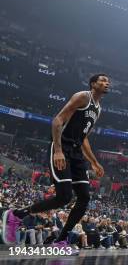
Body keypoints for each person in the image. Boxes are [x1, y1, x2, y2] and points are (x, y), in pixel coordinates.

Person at [2, 73, 109, 252]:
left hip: (76, 152)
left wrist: (94, 162)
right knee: (64, 196)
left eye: (108, 82)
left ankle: (61, 240)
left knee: (84, 197)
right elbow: (58, 120)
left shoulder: (98, 108)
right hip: (62, 147)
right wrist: (58, 150)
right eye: (103, 80)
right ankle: (16, 215)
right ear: (93, 84)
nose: (107, 83)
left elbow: (84, 138)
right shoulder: (83, 96)